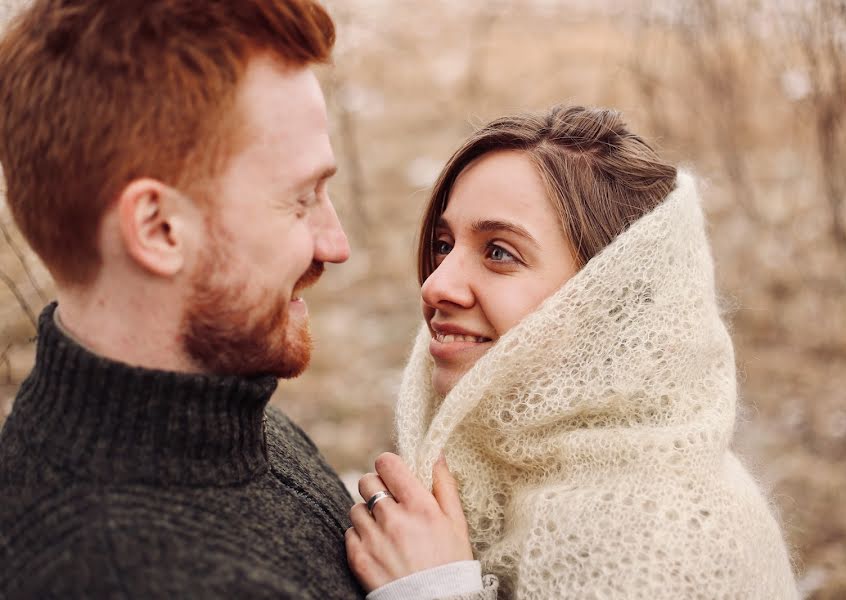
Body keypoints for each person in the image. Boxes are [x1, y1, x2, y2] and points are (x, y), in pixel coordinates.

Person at [0, 1, 493, 598]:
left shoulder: (216, 409)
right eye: (300, 199)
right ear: (158, 229)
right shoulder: (128, 574)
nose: (335, 246)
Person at [347, 106, 799, 598]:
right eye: (442, 243)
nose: (436, 284)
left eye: (499, 252)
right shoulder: (477, 467)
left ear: (609, 302)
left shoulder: (664, 544)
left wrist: (432, 590)